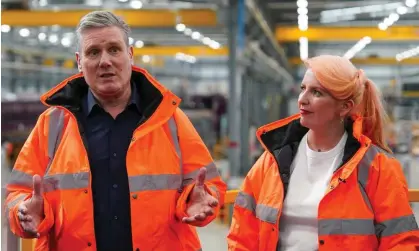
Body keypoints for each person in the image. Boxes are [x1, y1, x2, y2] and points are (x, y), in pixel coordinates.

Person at [5, 10, 226, 251]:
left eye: (114, 49)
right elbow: (18, 192)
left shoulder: (169, 120)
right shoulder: (53, 125)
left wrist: (201, 202)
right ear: (79, 61)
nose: (105, 61)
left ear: (130, 55)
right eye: (93, 52)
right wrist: (23, 213)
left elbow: (209, 186)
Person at [227, 55, 419, 251]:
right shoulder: (272, 160)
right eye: (303, 89)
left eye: (317, 93)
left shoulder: (378, 167)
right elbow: (242, 233)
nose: (302, 99)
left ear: (345, 107)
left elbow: (400, 242)